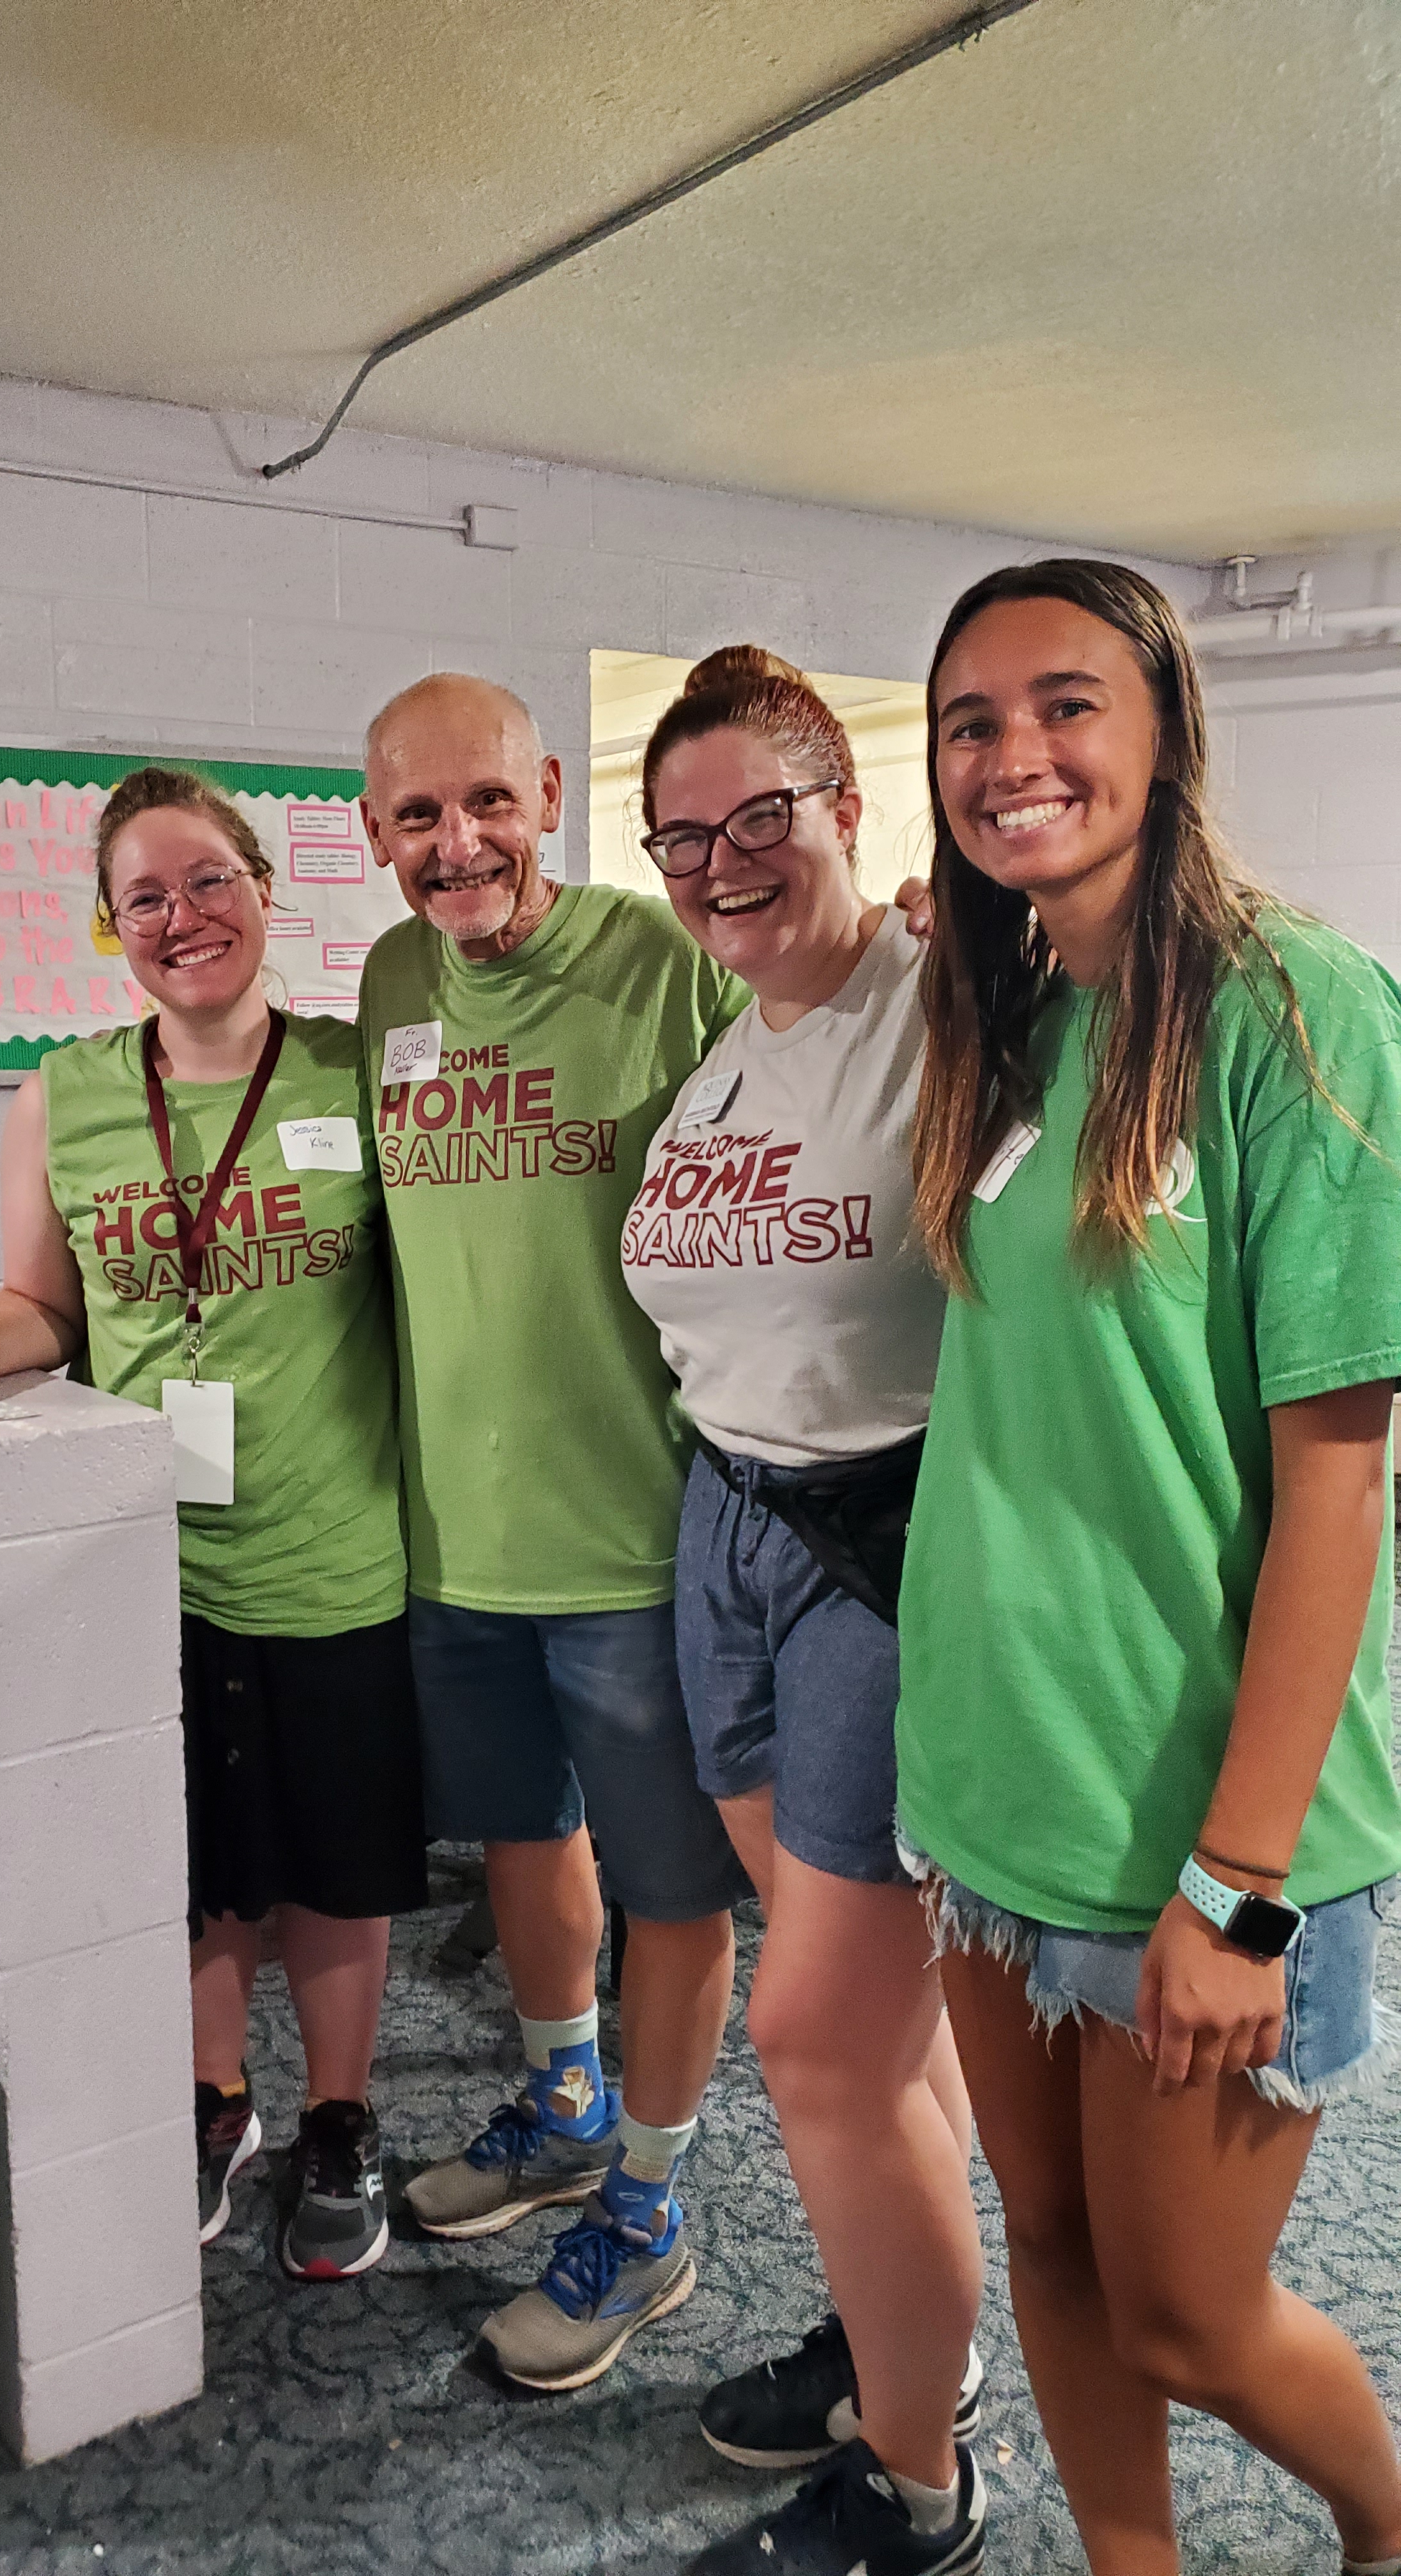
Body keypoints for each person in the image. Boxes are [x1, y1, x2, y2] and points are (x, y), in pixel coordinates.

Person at [897, 558, 1401, 2576]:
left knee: (1190, 2309)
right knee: (1049, 2238)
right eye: (970, 722)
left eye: (1065, 703)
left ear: (1168, 722)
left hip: (1212, 1826)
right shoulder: (1008, 1017)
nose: (1016, 754)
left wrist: (1241, 1886)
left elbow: (1344, 1485)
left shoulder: (1299, 1008)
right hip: (995, 1781)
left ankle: (1384, 2524)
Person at [0, 764, 425, 2284]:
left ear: (263, 890)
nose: (185, 919)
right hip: (140, 1561)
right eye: (146, 899)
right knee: (188, 1861)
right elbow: (44, 1301)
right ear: (111, 930)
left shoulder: (350, 1070)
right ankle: (213, 2098)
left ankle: (344, 2120)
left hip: (333, 1551)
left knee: (333, 1865)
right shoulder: (67, 1092)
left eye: (210, 882)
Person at [614, 647, 986, 2576]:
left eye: (762, 814)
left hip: (887, 1548)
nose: (722, 860)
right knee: (877, 2034)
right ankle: (906, 2335)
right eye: (684, 834)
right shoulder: (729, 1041)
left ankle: (919, 2486)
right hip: (726, 1531)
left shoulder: (958, 1010)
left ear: (848, 806)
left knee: (820, 2041)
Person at [356, 672, 750, 2390]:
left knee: (675, 1894)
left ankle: (650, 2213)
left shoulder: (662, 962)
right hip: (455, 1541)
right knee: (523, 1841)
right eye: (418, 818)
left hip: (637, 1537)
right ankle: (567, 2102)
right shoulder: (384, 985)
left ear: (550, 800)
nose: (460, 848)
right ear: (375, 838)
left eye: (489, 804)